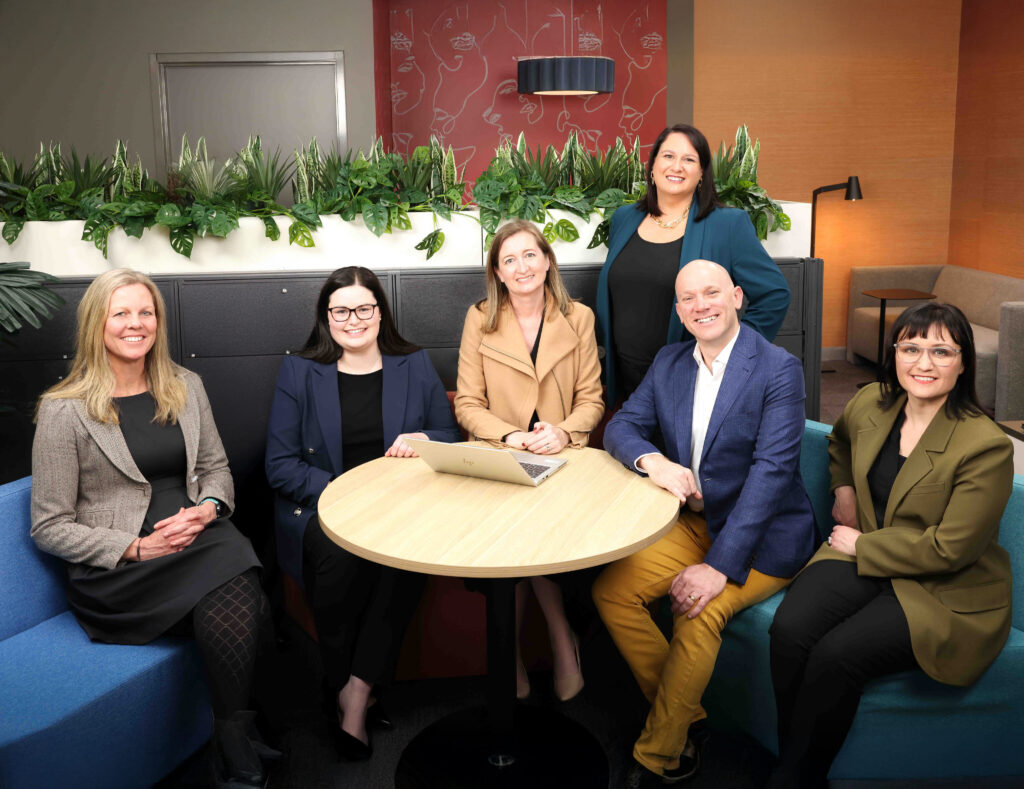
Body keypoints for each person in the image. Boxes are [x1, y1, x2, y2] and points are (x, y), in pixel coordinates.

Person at [30, 269, 271, 787]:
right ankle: (236, 732)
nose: (135, 324)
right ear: (97, 323)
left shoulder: (185, 386)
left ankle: (229, 732)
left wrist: (207, 509)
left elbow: (215, 470)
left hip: (196, 536)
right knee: (245, 582)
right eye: (121, 313)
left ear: (158, 322)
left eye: (146, 312)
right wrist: (137, 548)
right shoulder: (63, 411)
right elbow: (49, 526)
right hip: (123, 567)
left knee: (233, 566)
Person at [767, 302, 1015, 789]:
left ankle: (796, 778)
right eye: (911, 348)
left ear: (964, 363)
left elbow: (952, 550)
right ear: (894, 353)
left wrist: (864, 547)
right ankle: (794, 757)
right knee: (790, 630)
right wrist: (842, 491)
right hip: (868, 550)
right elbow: (838, 443)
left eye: (941, 351)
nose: (923, 364)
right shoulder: (871, 402)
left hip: (944, 586)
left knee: (836, 656)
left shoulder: (985, 445)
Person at [592, 260, 818, 786]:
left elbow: (773, 473)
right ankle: (688, 717)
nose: (702, 305)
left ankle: (659, 753)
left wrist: (720, 566)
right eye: (689, 298)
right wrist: (657, 462)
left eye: (712, 293)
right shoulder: (671, 362)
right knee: (610, 592)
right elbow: (622, 426)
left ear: (737, 297)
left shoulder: (777, 368)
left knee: (697, 610)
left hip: (764, 536)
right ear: (679, 310)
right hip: (694, 522)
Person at [265, 266, 460, 761]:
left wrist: (427, 439)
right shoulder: (300, 371)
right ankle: (348, 685)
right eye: (341, 310)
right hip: (324, 508)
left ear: (380, 311)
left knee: (404, 559)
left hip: (406, 506)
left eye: (364, 308)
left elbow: (450, 435)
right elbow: (280, 465)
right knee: (340, 562)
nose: (353, 319)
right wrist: (345, 492)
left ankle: (353, 691)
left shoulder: (413, 364)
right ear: (326, 317)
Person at [454, 219, 604, 701]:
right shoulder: (479, 318)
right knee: (514, 533)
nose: (522, 267)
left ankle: (541, 647)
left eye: (530, 255)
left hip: (564, 460)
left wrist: (561, 432)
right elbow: (468, 404)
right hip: (502, 459)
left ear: (547, 261)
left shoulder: (578, 317)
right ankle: (556, 642)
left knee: (539, 530)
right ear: (497, 272)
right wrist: (513, 436)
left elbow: (593, 400)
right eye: (509, 259)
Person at [595, 123, 791, 404]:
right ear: (652, 167)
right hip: (626, 377)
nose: (677, 166)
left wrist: (733, 353)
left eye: (689, 159)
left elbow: (775, 294)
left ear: (701, 174)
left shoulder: (727, 224)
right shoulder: (624, 218)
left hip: (691, 380)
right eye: (668, 156)